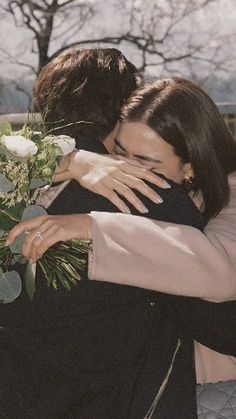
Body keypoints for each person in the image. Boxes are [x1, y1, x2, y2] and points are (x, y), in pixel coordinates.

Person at [7, 74, 236, 418]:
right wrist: (75, 162)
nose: (123, 168)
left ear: (190, 167)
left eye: (144, 161)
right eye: (118, 152)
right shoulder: (121, 185)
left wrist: (89, 227)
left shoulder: (229, 196)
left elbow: (218, 271)